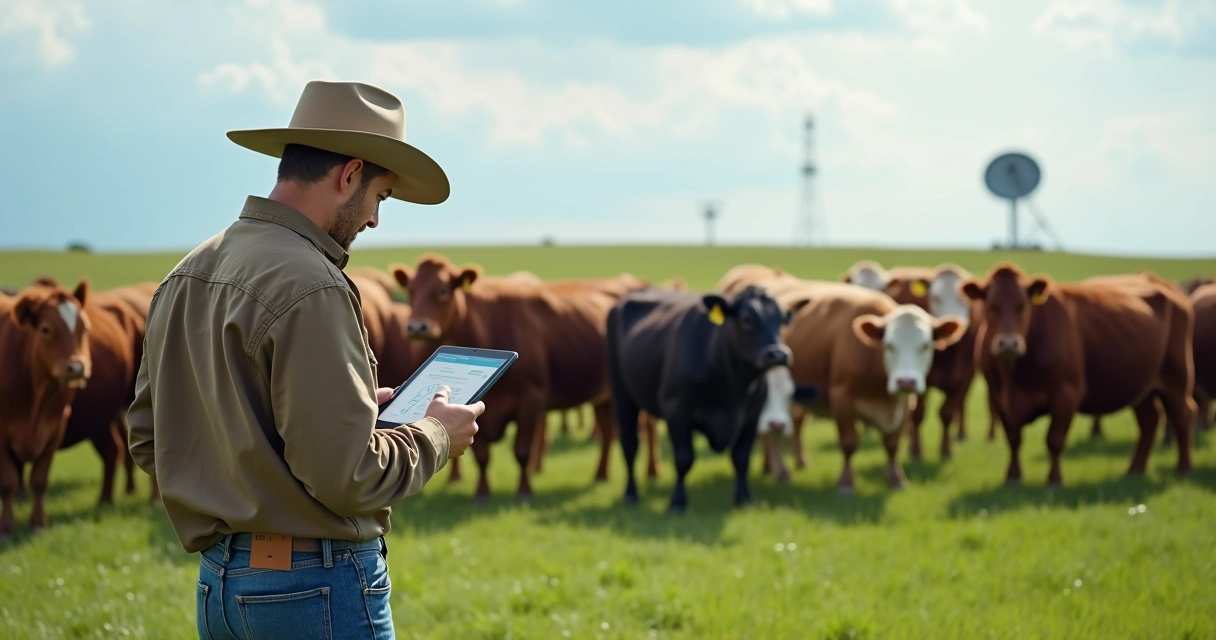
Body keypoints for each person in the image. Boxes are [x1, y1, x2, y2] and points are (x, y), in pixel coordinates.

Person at [126, 80, 483, 640]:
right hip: (313, 589)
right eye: (380, 198)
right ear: (349, 175)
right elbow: (349, 477)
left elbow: (150, 437)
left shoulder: (188, 271)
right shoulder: (314, 284)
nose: (374, 221)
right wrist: (435, 433)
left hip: (219, 585)